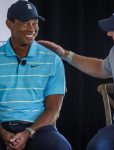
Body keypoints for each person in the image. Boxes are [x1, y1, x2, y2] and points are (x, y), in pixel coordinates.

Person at [38, 6, 114, 150]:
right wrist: (65, 54)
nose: (109, 33)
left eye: (113, 30)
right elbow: (100, 68)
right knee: (96, 147)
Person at [0, 1, 72, 150]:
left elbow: (53, 109)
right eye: (26, 23)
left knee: (62, 147)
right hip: (1, 125)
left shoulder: (52, 60)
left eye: (35, 23)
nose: (32, 29)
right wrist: (3, 133)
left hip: (38, 128)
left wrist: (27, 133)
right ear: (9, 24)